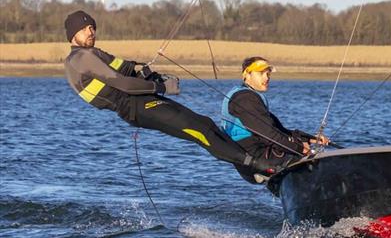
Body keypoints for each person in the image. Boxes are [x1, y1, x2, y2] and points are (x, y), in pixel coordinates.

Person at [63, 10, 272, 180]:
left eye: (92, 27)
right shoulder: (79, 59)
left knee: (205, 124)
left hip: (142, 100)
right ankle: (259, 166)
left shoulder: (94, 53)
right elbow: (124, 84)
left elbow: (126, 68)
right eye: (84, 29)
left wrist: (146, 71)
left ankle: (251, 169)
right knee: (199, 130)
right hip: (136, 107)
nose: (90, 31)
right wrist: (161, 88)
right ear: (73, 35)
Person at [220, 56, 329, 183]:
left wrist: (310, 139)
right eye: (261, 73)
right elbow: (269, 135)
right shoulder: (245, 99)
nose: (267, 78)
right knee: (314, 162)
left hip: (259, 154)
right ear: (247, 75)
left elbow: (278, 130)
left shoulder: (247, 96)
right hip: (256, 158)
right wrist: (302, 150)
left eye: (268, 73)